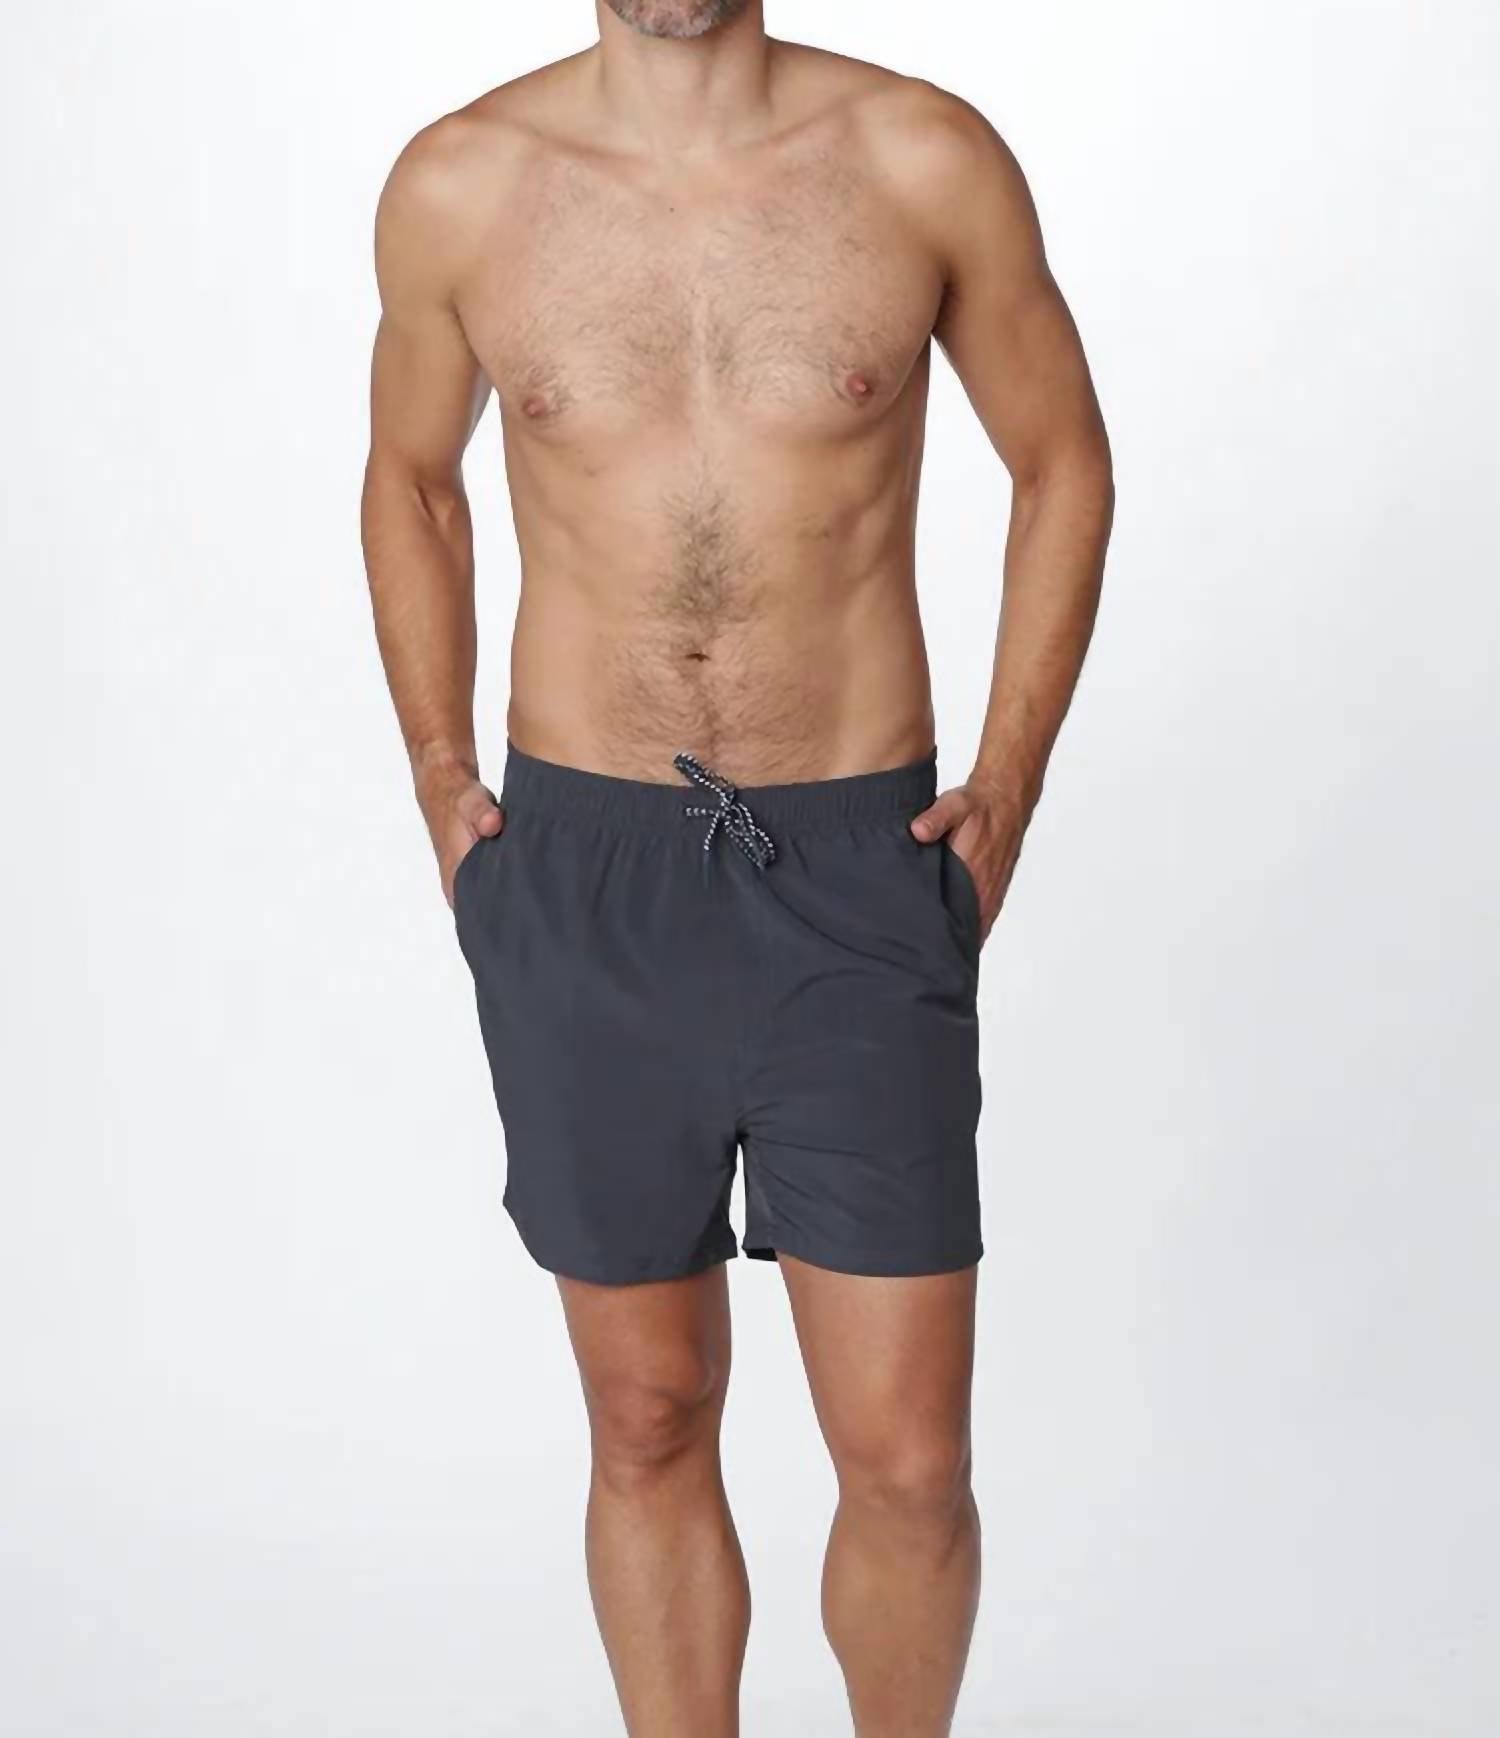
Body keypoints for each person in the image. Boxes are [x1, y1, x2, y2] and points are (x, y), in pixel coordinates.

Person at [360, 2, 1113, 1732]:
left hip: (857, 861)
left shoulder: (921, 157)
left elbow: (1062, 457)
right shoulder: (463, 183)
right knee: (646, 1415)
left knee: (909, 1459)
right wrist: (439, 771)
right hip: (583, 867)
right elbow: (413, 478)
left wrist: (1009, 781)